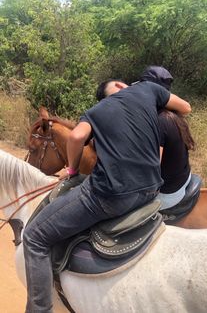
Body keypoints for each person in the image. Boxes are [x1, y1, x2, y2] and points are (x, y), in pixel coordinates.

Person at [23, 78, 191, 312]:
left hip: (110, 196)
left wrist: (71, 170)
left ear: (104, 97)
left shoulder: (96, 111)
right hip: (151, 191)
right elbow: (185, 107)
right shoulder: (148, 90)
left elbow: (75, 137)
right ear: (123, 86)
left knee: (34, 237)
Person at [140, 66, 195, 209]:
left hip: (168, 193)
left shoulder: (156, 122)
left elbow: (151, 171)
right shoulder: (172, 114)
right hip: (183, 177)